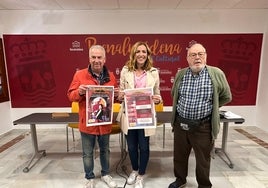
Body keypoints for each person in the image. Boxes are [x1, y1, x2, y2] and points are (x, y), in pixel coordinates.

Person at [168, 42, 232, 188]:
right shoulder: (181, 74)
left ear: (205, 56)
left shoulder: (216, 73)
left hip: (203, 126)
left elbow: (226, 96)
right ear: (187, 58)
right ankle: (180, 180)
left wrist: (213, 107)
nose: (197, 58)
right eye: (193, 55)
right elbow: (174, 94)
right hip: (181, 124)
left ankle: (204, 185)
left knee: (203, 159)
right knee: (179, 156)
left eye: (200, 54)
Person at [67, 45, 118, 188]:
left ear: (104, 59)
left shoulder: (111, 76)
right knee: (87, 153)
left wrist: (119, 96)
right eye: (93, 57)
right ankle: (89, 177)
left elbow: (114, 98)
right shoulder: (79, 75)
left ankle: (105, 174)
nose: (96, 60)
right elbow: (70, 96)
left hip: (104, 123)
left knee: (105, 151)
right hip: (87, 123)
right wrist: (79, 92)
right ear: (89, 58)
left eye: (99, 57)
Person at [117, 41, 162, 188]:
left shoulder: (153, 72)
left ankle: (141, 175)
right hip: (129, 115)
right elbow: (121, 92)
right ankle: (134, 170)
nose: (141, 54)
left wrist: (158, 99)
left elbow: (157, 94)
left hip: (145, 116)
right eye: (138, 51)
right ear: (134, 54)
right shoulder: (125, 70)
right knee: (131, 147)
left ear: (148, 55)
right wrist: (120, 94)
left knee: (144, 147)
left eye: (144, 52)